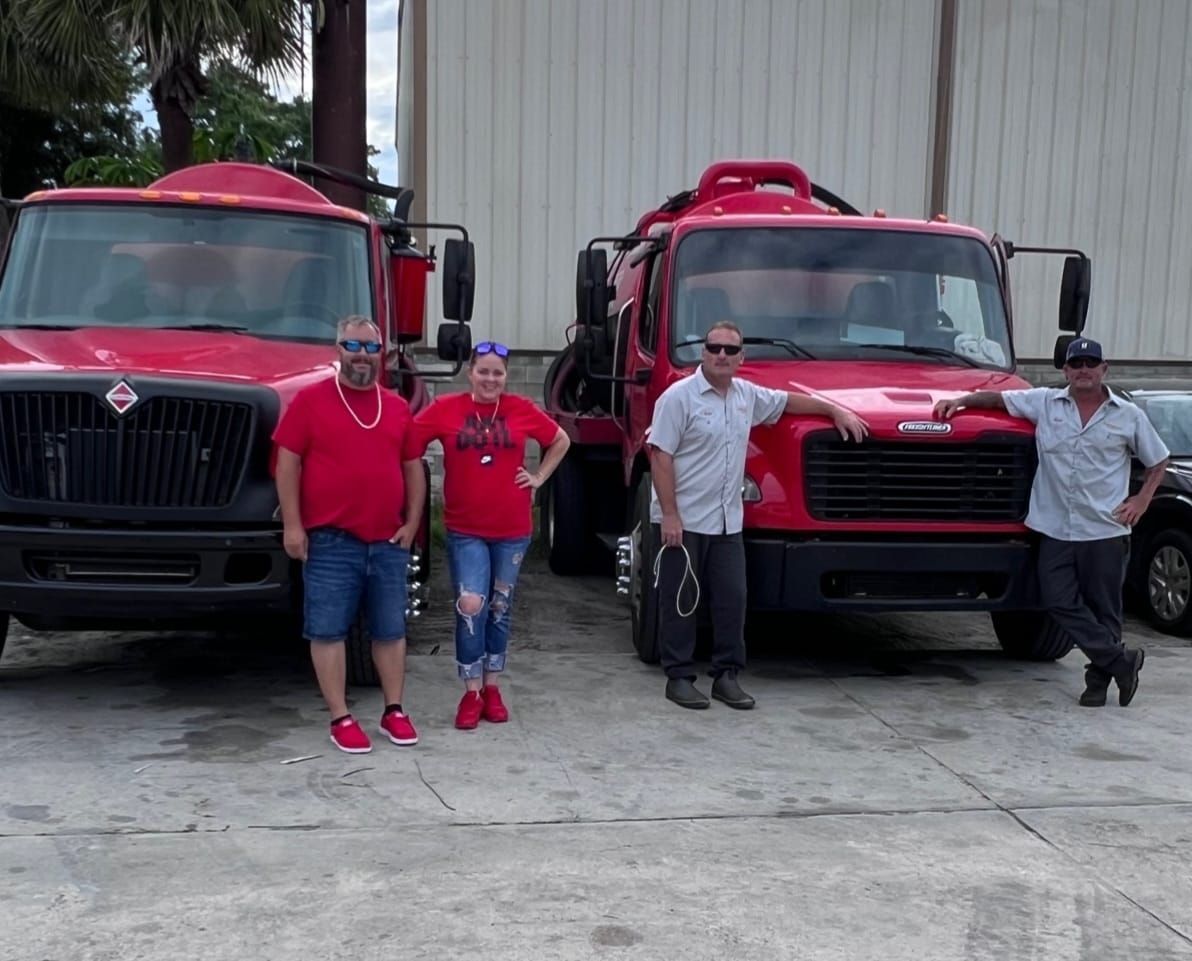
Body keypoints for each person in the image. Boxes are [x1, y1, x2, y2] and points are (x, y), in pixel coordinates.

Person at [934, 337, 1169, 707]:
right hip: (1055, 528)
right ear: (1066, 371)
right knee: (1056, 600)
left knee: (1104, 609)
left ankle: (1098, 683)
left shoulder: (1128, 415)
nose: (1084, 370)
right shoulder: (1045, 402)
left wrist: (1142, 499)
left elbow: (1158, 461)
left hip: (1104, 529)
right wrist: (960, 401)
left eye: (1092, 363)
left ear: (1104, 369)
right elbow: (997, 399)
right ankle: (1122, 660)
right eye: (1077, 364)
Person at [648, 321, 869, 710]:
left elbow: (787, 402)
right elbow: (660, 454)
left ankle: (727, 676)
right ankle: (679, 677)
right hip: (684, 521)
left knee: (733, 599)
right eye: (714, 347)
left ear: (741, 358)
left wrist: (835, 410)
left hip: (727, 521)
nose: (721, 355)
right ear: (703, 352)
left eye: (730, 350)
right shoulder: (678, 398)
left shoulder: (746, 396)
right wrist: (670, 515)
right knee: (681, 600)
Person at [274, 316, 426, 753]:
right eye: (352, 345)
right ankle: (340, 717)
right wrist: (293, 525)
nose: (361, 355)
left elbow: (413, 468)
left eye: (370, 347)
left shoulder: (396, 406)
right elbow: (288, 463)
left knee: (390, 630)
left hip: (388, 542)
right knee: (327, 631)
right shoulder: (310, 401)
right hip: (331, 541)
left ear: (383, 353)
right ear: (337, 349)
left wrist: (413, 523)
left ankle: (394, 710)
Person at [402, 341, 571, 730]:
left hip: (512, 529)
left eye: (498, 372)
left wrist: (539, 477)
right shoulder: (447, 409)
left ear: (505, 376)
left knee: (500, 607)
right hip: (465, 530)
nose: (490, 378)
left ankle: (492, 687)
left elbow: (560, 440)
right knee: (471, 604)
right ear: (470, 373)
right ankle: (470, 690)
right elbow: (408, 443)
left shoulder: (522, 410)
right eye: (484, 371)